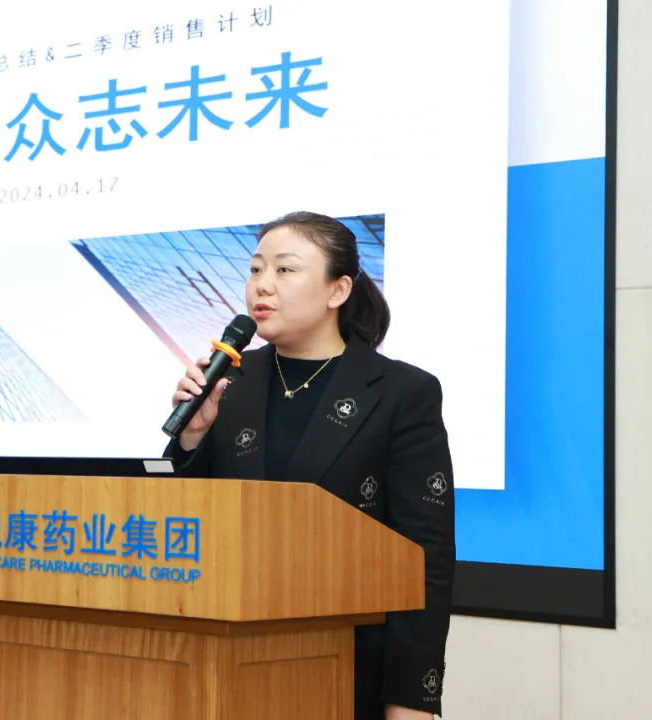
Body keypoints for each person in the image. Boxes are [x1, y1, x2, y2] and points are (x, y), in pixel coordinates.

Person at [164, 211, 455, 720]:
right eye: (256, 269)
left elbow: (423, 558)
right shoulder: (230, 382)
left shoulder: (402, 393)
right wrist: (192, 437)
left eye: (285, 269)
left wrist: (411, 698)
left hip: (344, 667)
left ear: (337, 290)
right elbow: (184, 526)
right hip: (221, 665)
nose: (262, 285)